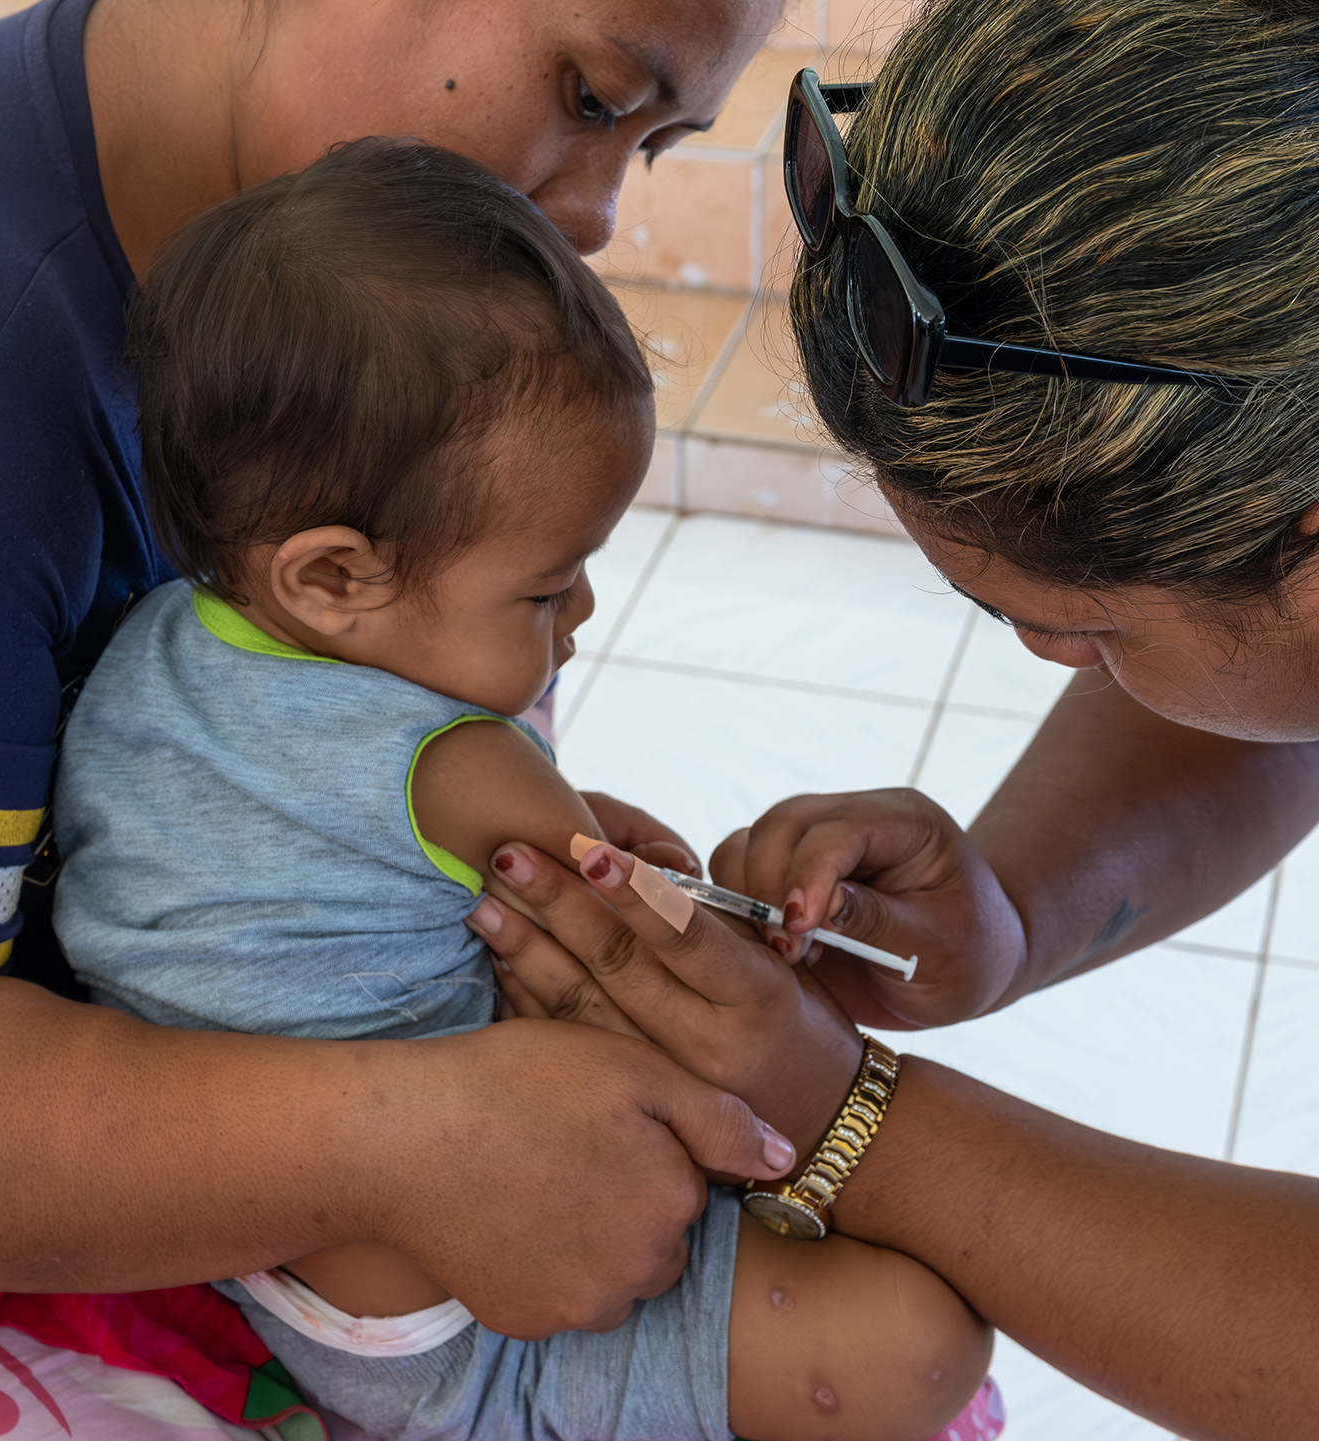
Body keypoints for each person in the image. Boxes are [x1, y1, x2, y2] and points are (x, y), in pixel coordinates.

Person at [462, 0, 1319, 1434]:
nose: (1063, 666)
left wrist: (840, 1111)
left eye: (1088, 630)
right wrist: (1015, 910)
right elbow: (1315, 662)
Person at [0, 0, 799, 1341]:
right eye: (593, 96)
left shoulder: (352, 312)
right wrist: (409, 1137)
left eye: (655, 147)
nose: (601, 213)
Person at [50, 138, 992, 1441]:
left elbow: (308, 830)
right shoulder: (465, 764)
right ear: (330, 577)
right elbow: (664, 959)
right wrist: (754, 925)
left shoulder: (149, 649)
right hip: (475, 1291)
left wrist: (576, 824)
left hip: (257, 1247)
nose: (588, 607)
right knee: (925, 1339)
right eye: (547, 587)